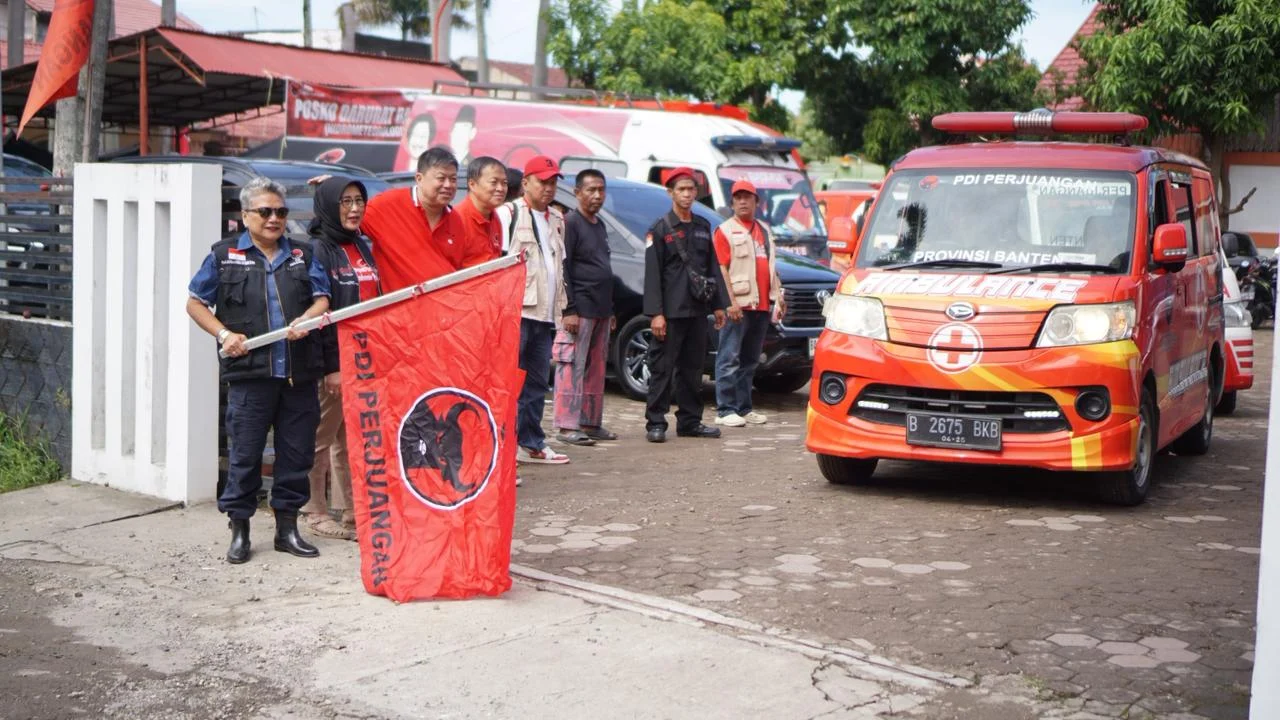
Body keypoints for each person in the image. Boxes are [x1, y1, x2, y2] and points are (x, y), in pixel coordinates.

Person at [186, 177, 331, 564]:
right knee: (245, 455)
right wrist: (223, 334)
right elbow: (195, 303)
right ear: (246, 214)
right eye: (265, 211)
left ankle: (287, 529)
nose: (274, 219)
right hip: (250, 376)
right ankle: (240, 529)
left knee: (296, 453)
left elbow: (323, 299)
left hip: (298, 374)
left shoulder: (303, 253)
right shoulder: (223, 254)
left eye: (280, 212)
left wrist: (308, 318)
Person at [299, 177, 380, 541]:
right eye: (344, 201)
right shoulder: (319, 249)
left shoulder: (361, 245)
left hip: (363, 356)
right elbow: (322, 312)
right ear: (329, 207)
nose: (354, 208)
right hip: (332, 359)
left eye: (359, 200)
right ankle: (314, 509)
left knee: (351, 437)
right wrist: (331, 366)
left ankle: (350, 510)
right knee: (321, 435)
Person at [643, 167, 728, 443]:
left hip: (697, 311)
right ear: (670, 193)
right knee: (662, 369)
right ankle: (656, 422)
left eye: (691, 189)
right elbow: (652, 274)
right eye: (681, 189)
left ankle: (690, 421)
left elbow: (712, 268)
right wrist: (656, 314)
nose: (687, 194)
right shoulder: (659, 229)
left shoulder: (703, 227)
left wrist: (719, 306)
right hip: (670, 312)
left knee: (693, 369)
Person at [495, 155, 571, 465]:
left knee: (538, 381)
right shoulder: (507, 214)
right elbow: (497, 263)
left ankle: (531, 440)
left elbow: (559, 267)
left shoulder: (557, 219)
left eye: (553, 182)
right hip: (517, 311)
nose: (549, 188)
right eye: (543, 182)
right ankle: (504, 442)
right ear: (526, 182)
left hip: (545, 314)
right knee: (510, 381)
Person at [713, 180, 785, 428]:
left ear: (757, 202)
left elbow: (771, 267)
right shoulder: (725, 230)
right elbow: (720, 270)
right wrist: (729, 303)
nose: (743, 201)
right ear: (732, 202)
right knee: (729, 358)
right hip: (738, 306)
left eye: (748, 197)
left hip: (761, 306)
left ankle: (744, 408)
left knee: (750, 361)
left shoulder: (764, 230)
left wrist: (779, 296)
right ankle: (724, 410)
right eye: (738, 197)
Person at [553, 169, 617, 446]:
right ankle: (567, 426)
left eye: (601, 190)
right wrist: (569, 310)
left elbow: (603, 268)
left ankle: (590, 421)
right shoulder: (571, 223)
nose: (596, 195)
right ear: (577, 192)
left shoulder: (599, 225)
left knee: (597, 369)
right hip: (579, 309)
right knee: (572, 367)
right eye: (590, 190)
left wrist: (611, 309)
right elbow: (563, 268)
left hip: (601, 308)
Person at [360, 146, 475, 292]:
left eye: (453, 179)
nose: (448, 185)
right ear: (419, 178)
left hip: (442, 307)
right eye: (441, 178)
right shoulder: (386, 205)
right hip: (396, 309)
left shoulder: (456, 221)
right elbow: (342, 223)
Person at [455, 156, 508, 264]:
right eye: (494, 182)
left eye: (504, 183)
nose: (501, 189)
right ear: (472, 184)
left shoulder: (494, 216)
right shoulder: (457, 220)